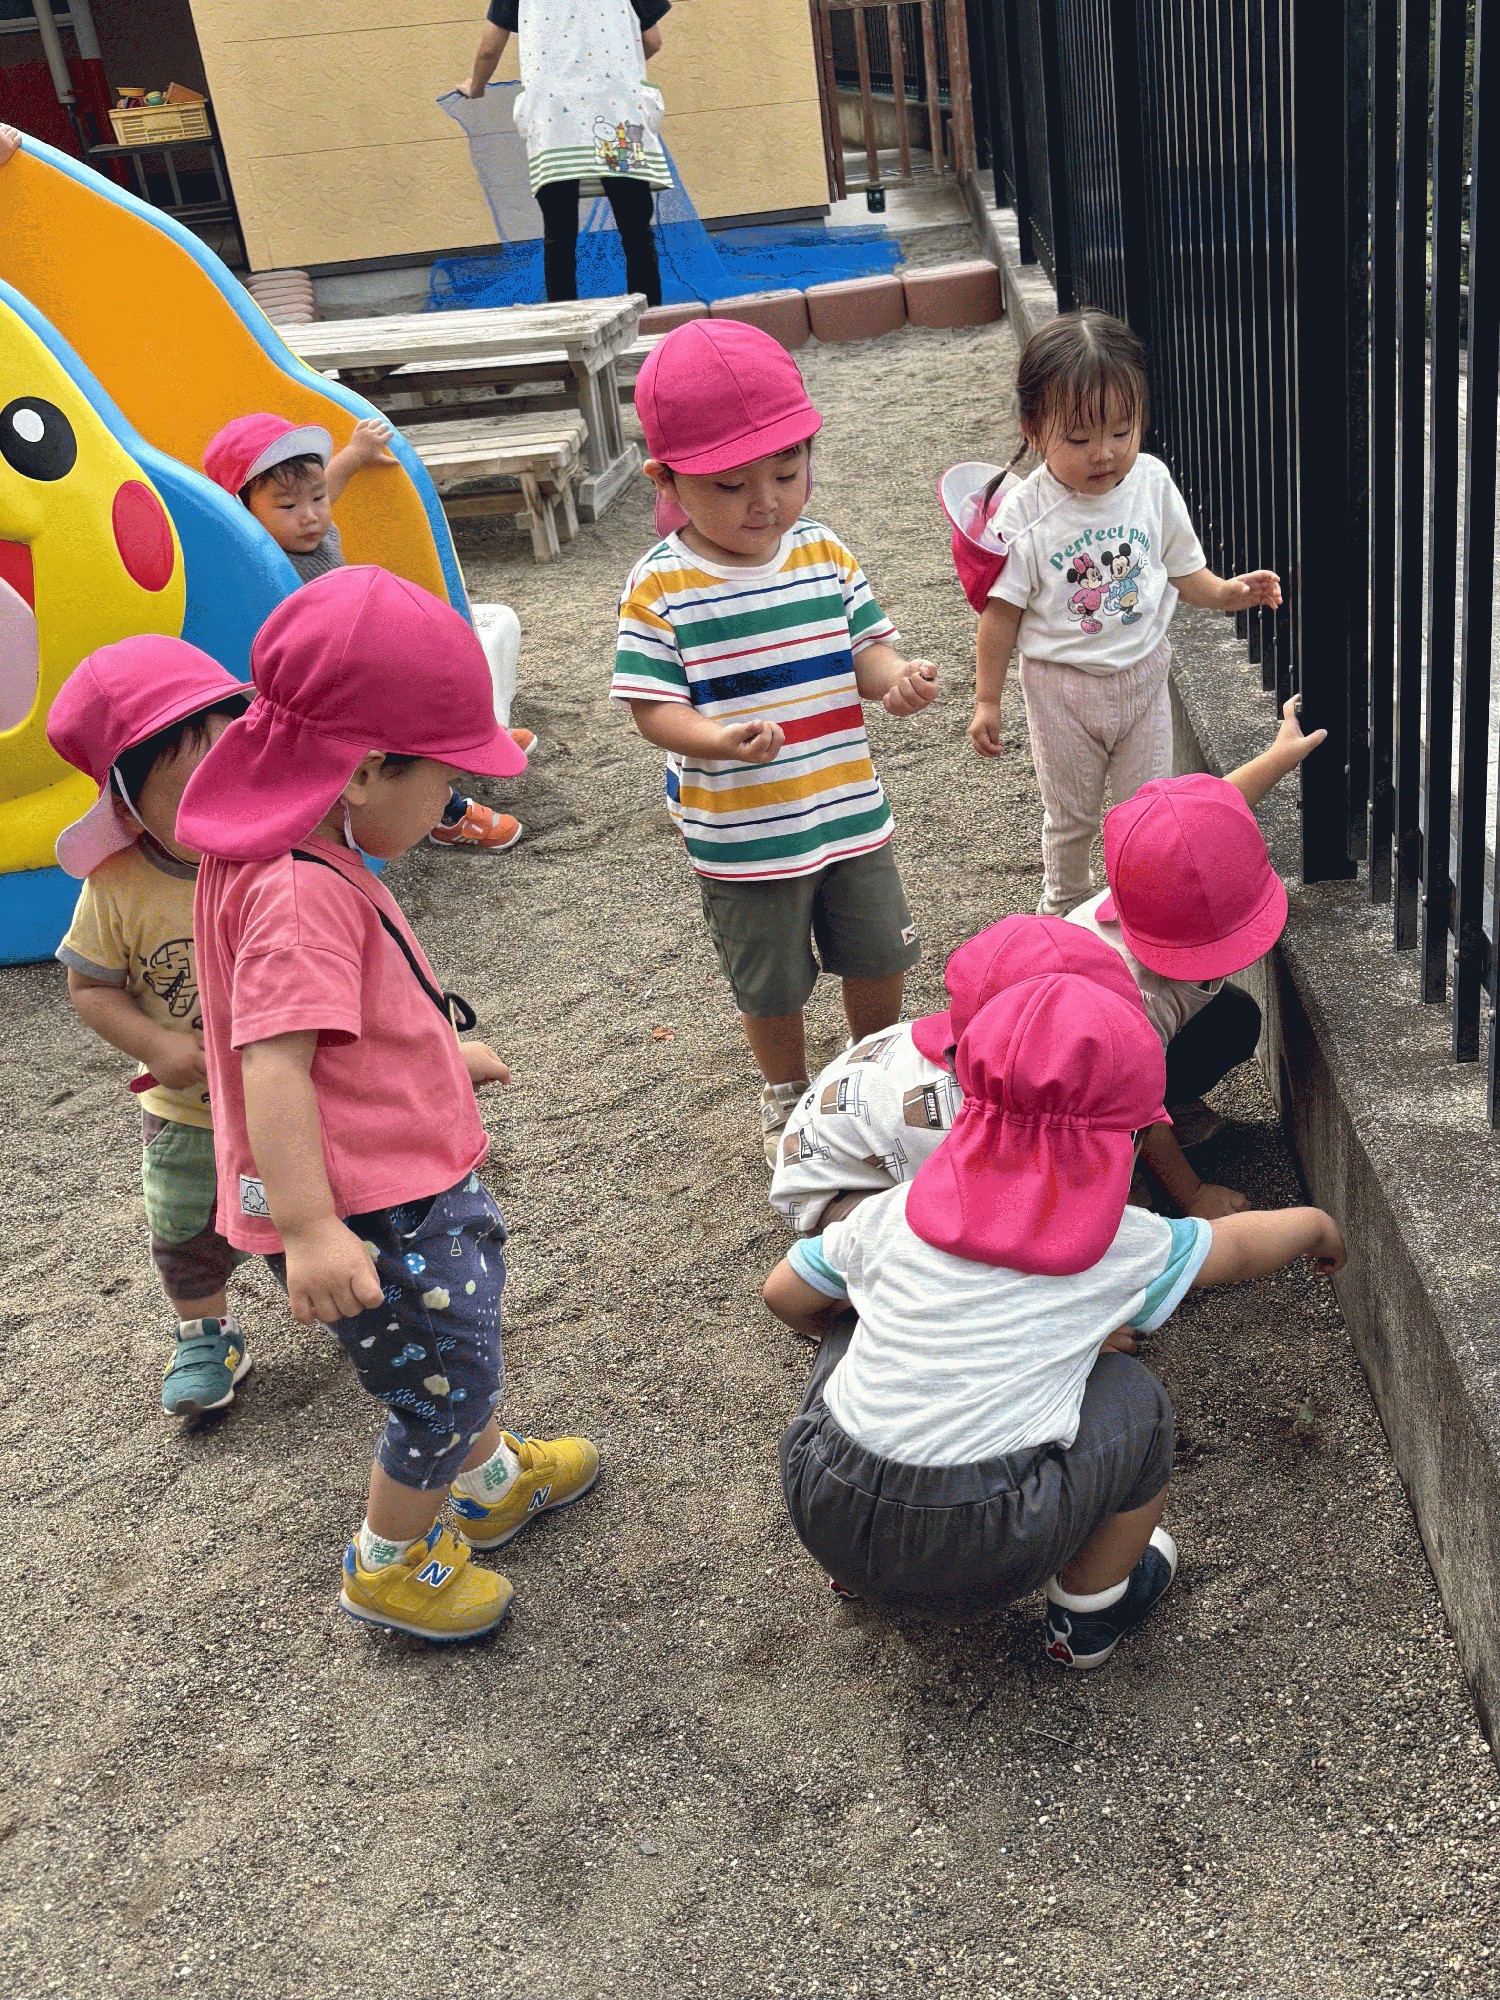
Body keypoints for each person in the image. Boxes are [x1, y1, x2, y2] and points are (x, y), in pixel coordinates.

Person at [176, 566, 599, 1643]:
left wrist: (440, 1058)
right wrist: (312, 1227)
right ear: (365, 769)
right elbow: (275, 1064)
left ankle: (487, 1480)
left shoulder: (283, 847)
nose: (452, 801)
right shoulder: (301, 891)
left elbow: (341, 1029)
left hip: (379, 1175)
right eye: (445, 780)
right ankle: (390, 1561)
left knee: (449, 1351)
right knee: (439, 1380)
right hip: (377, 1207)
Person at [763, 973, 1347, 1668]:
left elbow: (784, 1295)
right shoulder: (1121, 1243)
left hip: (821, 1499)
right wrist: (1315, 1226)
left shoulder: (893, 1211)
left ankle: (861, 1569)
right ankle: (1089, 1614)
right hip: (986, 1542)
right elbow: (1239, 1248)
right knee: (1137, 1403)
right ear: (1133, 1136)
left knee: (849, 1314)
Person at [611, 319, 940, 1162]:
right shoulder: (660, 585)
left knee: (879, 950)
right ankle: (787, 1092)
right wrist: (716, 738)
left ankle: (872, 1067)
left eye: (788, 473)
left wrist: (894, 678)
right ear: (666, 479)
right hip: (743, 834)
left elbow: (864, 649)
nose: (766, 501)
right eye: (731, 485)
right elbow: (651, 707)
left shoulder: (822, 551)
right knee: (770, 981)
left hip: (847, 810)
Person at [964, 309, 1283, 916]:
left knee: (1150, 811)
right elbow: (1000, 615)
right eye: (1079, 439)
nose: (1104, 453)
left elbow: (1181, 568)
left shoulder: (1151, 482)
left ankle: (1142, 905)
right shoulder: (1024, 514)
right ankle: (1063, 906)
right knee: (1073, 816)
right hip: (1061, 688)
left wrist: (1226, 593)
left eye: (1120, 430)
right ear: (1033, 429)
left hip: (1144, 675)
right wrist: (987, 699)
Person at [48, 638, 255, 1420]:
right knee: (183, 1226)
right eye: (185, 792)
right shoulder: (117, 887)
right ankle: (205, 1333)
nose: (219, 803)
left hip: (293, 1088)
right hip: (186, 1109)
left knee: (314, 1198)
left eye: (233, 772)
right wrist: (157, 1045)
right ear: (128, 809)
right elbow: (90, 986)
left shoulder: (277, 851)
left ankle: (340, 1293)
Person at [203, 412, 532, 853]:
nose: (310, 516)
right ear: (241, 516)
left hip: (354, 660)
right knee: (396, 751)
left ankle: (472, 739)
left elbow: (327, 485)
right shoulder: (256, 565)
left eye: (316, 499)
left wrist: (356, 454)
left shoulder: (314, 533)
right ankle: (449, 815)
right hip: (330, 686)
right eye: (287, 507)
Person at [1065, 694, 1326, 1207]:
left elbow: (1212, 818)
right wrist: (1193, 1194)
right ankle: (1115, 1156)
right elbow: (1129, 1095)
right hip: (1072, 1078)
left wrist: (1280, 755)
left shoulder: (1149, 877)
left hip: (1111, 1045)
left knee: (1233, 1016)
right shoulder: (1139, 997)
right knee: (1123, 1202)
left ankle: (1166, 1117)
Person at [769, 913, 1144, 1233]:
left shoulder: (980, 1048)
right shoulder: (953, 1112)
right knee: (978, 1232)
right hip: (838, 1195)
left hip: (876, 1140)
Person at [456, 0, 669, 307]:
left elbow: (490, 49)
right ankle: (650, 320)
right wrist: (611, 66)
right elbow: (653, 40)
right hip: (617, 113)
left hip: (554, 121)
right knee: (635, 230)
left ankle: (565, 320)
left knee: (560, 234)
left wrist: (476, 86)